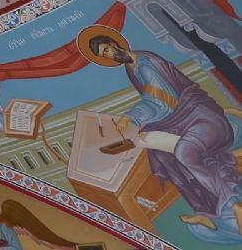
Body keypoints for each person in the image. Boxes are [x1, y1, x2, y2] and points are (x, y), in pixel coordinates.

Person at [82, 29, 242, 234]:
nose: (109, 56)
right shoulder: (131, 66)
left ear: (114, 43)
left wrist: (131, 116)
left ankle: (234, 205)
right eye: (104, 55)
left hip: (203, 118)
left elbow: (163, 101)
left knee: (185, 152)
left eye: (107, 50)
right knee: (162, 155)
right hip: (185, 121)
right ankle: (205, 210)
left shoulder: (145, 64)